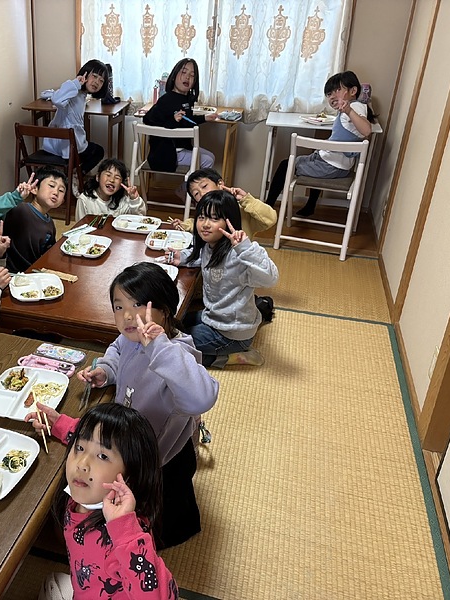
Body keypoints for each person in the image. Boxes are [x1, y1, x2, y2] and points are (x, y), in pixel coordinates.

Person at [34, 262, 218, 548]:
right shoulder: (129, 337)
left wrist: (157, 346)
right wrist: (107, 370)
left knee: (162, 520)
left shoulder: (176, 353)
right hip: (127, 443)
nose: (128, 315)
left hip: (160, 458)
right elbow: (118, 350)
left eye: (138, 305)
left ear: (165, 310)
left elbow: (202, 397)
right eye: (119, 306)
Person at [26, 403, 179, 600]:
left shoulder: (123, 537)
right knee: (51, 582)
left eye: (102, 456)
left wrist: (126, 532)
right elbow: (87, 437)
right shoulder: (88, 492)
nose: (82, 464)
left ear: (130, 476)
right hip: (85, 588)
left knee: (50, 585)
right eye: (79, 448)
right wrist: (58, 424)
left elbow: (159, 596)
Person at [167, 190, 278, 368]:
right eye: (202, 217)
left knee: (173, 345)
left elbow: (270, 278)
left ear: (229, 221)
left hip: (231, 333)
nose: (205, 224)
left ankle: (235, 357)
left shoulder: (238, 254)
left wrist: (246, 249)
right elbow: (202, 257)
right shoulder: (210, 245)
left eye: (214, 218)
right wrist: (182, 257)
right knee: (174, 322)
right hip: (213, 317)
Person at [173, 168, 277, 323]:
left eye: (204, 186)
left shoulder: (241, 210)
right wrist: (186, 226)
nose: (202, 193)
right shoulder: (207, 231)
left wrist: (246, 199)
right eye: (196, 194)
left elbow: (270, 219)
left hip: (238, 271)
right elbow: (201, 231)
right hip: (218, 276)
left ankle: (255, 311)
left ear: (220, 184)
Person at [265, 70, 375, 216]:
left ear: (353, 91)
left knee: (285, 165)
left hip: (332, 167)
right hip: (333, 162)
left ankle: (267, 207)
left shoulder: (354, 107)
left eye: (337, 90)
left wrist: (348, 110)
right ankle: (310, 206)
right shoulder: (355, 107)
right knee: (315, 157)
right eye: (329, 94)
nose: (332, 96)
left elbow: (367, 130)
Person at [142, 58, 218, 172]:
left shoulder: (186, 100)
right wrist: (172, 120)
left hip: (182, 148)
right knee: (208, 160)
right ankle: (192, 183)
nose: (187, 77)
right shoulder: (166, 99)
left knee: (211, 156)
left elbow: (186, 120)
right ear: (174, 76)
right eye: (184, 72)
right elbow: (148, 119)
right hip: (168, 153)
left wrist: (204, 118)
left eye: (192, 75)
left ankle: (192, 182)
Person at [43, 60, 109, 176]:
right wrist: (75, 83)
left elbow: (51, 95)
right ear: (85, 74)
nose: (97, 82)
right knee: (98, 152)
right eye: (94, 76)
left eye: (101, 81)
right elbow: (57, 100)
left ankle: (74, 176)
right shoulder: (73, 91)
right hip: (65, 147)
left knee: (94, 149)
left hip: (64, 144)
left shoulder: (80, 94)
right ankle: (76, 177)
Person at [3, 166, 66, 273]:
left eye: (61, 190)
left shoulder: (50, 224)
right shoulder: (20, 210)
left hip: (33, 273)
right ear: (34, 189)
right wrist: (15, 197)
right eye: (51, 186)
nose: (56, 192)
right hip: (10, 273)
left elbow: (48, 253)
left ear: (62, 201)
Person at [75, 158, 146, 222]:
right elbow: (80, 226)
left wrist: (134, 199)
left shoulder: (123, 202)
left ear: (121, 184)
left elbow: (140, 219)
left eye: (117, 177)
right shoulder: (85, 200)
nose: (112, 180)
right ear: (97, 177)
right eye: (108, 175)